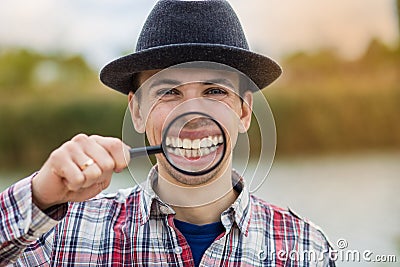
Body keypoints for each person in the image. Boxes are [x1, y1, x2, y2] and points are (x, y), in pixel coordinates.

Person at [0, 0, 335, 266]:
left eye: (215, 91)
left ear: (244, 111)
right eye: (168, 92)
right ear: (137, 111)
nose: (191, 114)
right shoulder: (65, 232)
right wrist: (40, 196)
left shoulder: (304, 246)